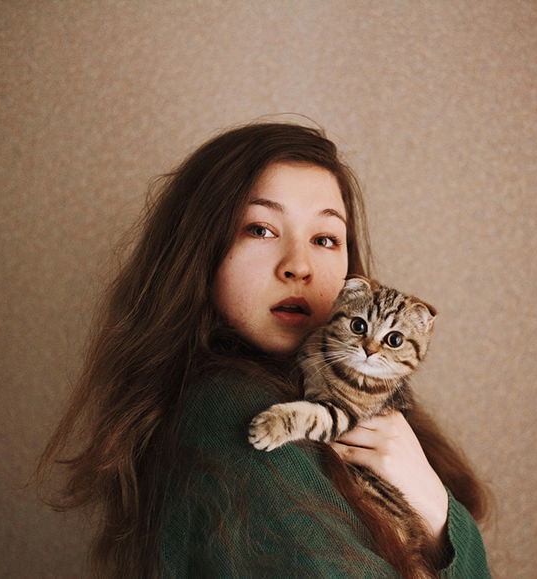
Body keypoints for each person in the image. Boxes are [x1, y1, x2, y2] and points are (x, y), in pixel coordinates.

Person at [37, 122, 491, 578]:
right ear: (201, 250)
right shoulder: (237, 415)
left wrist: (432, 508)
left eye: (326, 239)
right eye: (261, 229)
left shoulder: (333, 389)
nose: (299, 266)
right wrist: (439, 514)